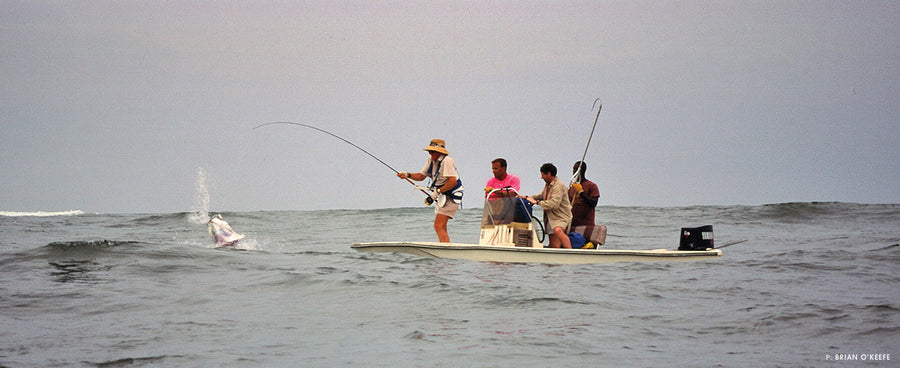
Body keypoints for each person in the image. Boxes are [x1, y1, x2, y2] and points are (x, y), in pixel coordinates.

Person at [397, 139, 463, 243]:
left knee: (438, 225)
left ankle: (445, 248)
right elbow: (421, 176)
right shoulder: (431, 161)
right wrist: (407, 175)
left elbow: (452, 182)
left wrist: (437, 192)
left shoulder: (447, 161)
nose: (430, 153)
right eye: (429, 151)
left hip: (452, 196)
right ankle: (445, 245)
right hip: (442, 196)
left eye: (432, 151)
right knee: (441, 226)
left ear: (439, 152)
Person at [523, 163, 572, 248]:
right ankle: (555, 255)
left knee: (558, 230)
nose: (541, 177)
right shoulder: (548, 185)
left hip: (560, 216)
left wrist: (537, 203)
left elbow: (553, 204)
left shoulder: (558, 186)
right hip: (550, 217)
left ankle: (570, 252)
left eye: (543, 175)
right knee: (554, 242)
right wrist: (527, 197)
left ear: (549, 174)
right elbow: (541, 196)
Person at [568, 161, 600, 227]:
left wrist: (581, 192)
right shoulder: (572, 187)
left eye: (576, 169)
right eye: (573, 169)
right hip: (572, 224)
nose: (574, 171)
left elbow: (593, 203)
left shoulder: (591, 185)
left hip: (586, 225)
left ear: (582, 170)